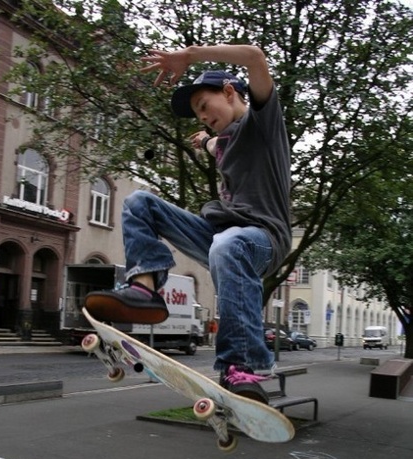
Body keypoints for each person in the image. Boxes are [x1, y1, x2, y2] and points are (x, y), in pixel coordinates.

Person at [85, 44, 291, 403]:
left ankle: (243, 366)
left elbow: (256, 57)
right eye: (197, 115)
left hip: (263, 239)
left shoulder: (263, 122)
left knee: (229, 245)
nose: (203, 117)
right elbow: (213, 144)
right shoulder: (221, 139)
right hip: (221, 236)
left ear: (229, 92)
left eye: (204, 107)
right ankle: (145, 289)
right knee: (139, 202)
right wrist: (205, 142)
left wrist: (190, 56)